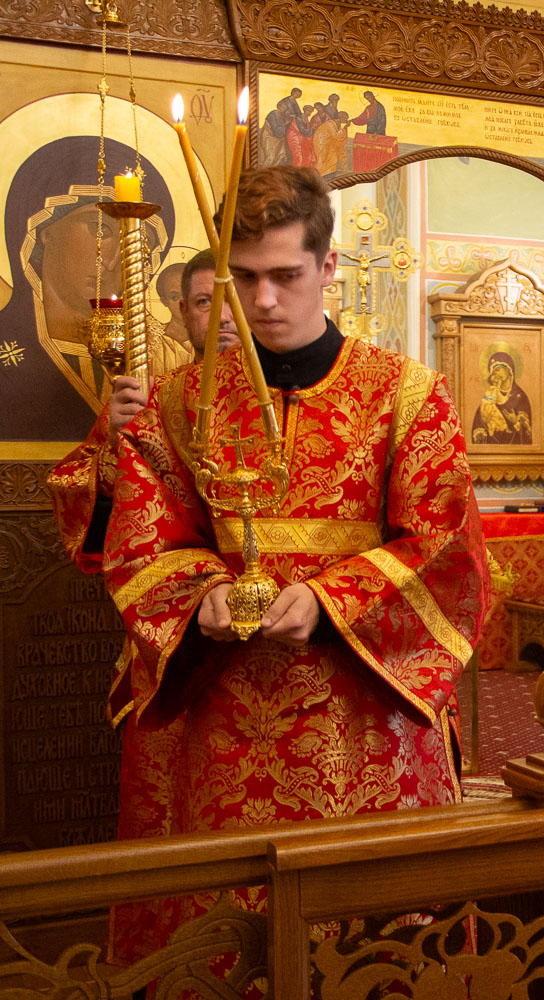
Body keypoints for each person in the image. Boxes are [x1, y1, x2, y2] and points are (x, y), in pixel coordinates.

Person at [101, 166, 490, 941]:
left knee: (374, 941)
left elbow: (446, 545)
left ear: (328, 266)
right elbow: (147, 537)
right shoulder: (181, 400)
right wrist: (199, 593)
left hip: (368, 721)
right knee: (230, 936)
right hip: (224, 719)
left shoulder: (405, 393)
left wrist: (327, 600)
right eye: (243, 278)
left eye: (285, 275)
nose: (264, 301)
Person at [47, 246, 237, 964]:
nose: (222, 318)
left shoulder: (306, 396)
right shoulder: (157, 402)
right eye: (203, 303)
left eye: (231, 298)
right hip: (177, 643)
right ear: (181, 315)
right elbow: (93, 522)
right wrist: (113, 439)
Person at [470, 349, 533, 445]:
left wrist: (515, 421)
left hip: (515, 450)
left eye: (498, 369)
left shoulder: (520, 396)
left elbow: (527, 432)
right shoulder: (490, 396)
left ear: (509, 369)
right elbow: (478, 426)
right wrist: (485, 423)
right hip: (491, 449)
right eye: (493, 372)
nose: (495, 374)